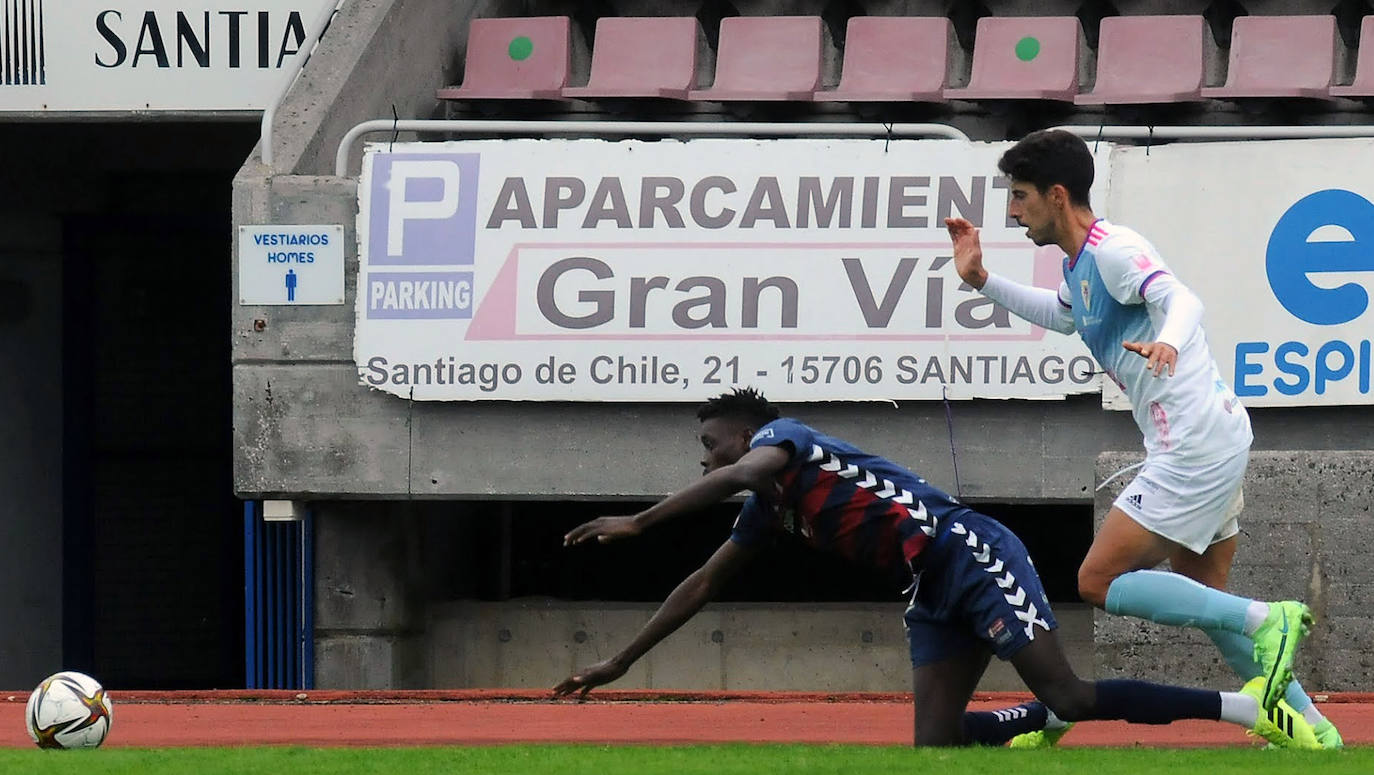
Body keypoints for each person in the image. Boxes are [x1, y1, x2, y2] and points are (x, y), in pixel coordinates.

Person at [551, 388, 1318, 749]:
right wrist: (619, 660)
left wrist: (642, 519)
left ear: (749, 433)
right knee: (938, 741)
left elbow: (742, 472)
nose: (707, 455)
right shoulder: (769, 504)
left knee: (1075, 692)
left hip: (970, 550)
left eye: (713, 442)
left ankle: (1248, 708)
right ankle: (1036, 721)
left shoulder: (786, 440)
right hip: (930, 586)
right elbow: (704, 581)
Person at [944, 128, 1339, 748]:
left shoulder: (1114, 250)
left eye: (1019, 197)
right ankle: (1312, 730)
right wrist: (982, 280)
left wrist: (1169, 341)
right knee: (1206, 596)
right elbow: (1064, 315)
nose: (1012, 212)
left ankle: (1271, 617)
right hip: (1214, 433)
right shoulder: (1080, 265)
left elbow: (1181, 298)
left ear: (1056, 194)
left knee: (1096, 581)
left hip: (1192, 443)